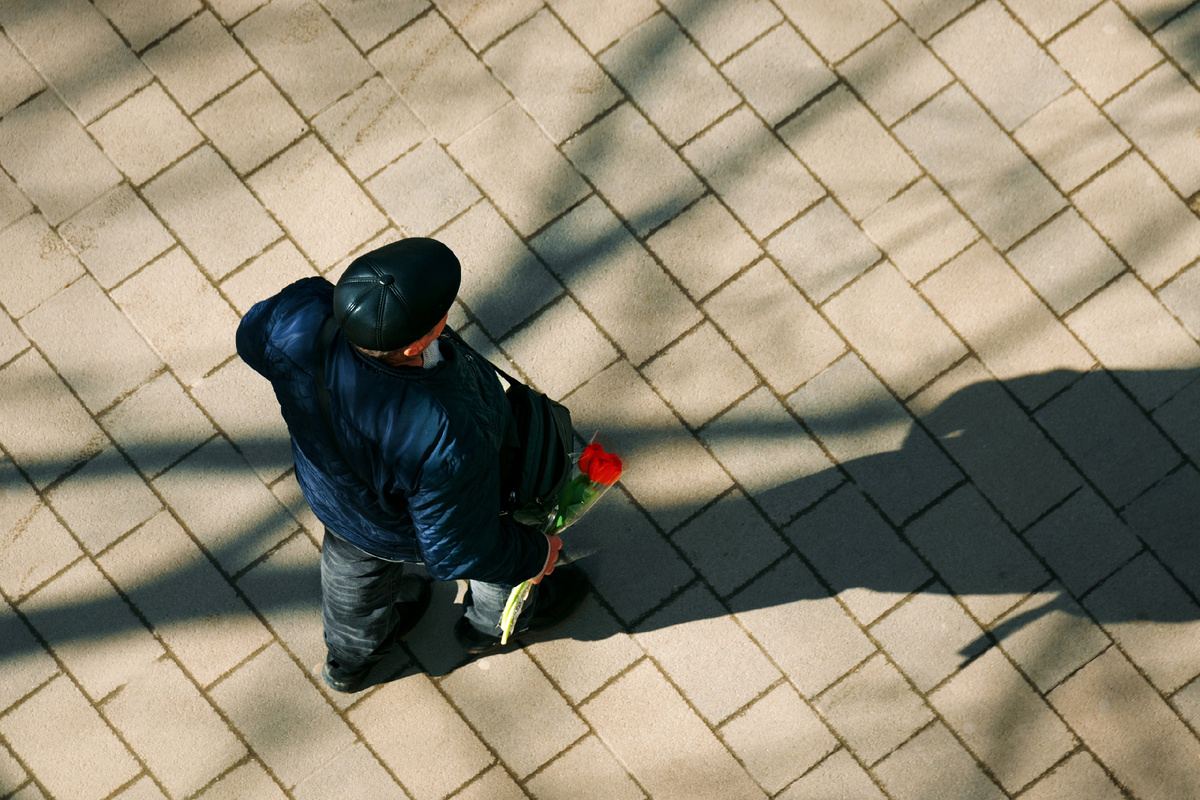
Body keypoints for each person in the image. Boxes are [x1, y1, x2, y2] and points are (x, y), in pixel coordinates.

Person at [236, 237, 589, 692]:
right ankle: (488, 627)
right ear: (415, 344)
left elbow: (251, 339)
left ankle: (349, 662)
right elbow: (460, 548)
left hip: (335, 496)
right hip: (414, 516)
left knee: (353, 570)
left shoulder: (299, 312)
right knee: (503, 541)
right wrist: (535, 554)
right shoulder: (444, 438)